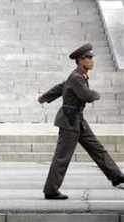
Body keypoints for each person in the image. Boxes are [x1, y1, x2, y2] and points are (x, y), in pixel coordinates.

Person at [38, 43, 124, 200]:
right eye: (89, 58)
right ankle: (50, 190)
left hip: (77, 119)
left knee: (97, 148)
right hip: (69, 121)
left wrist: (45, 97)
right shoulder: (77, 77)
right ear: (80, 60)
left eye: (92, 58)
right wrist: (96, 94)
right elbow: (87, 96)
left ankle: (116, 176)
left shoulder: (79, 75)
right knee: (62, 157)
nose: (92, 61)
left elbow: (61, 86)